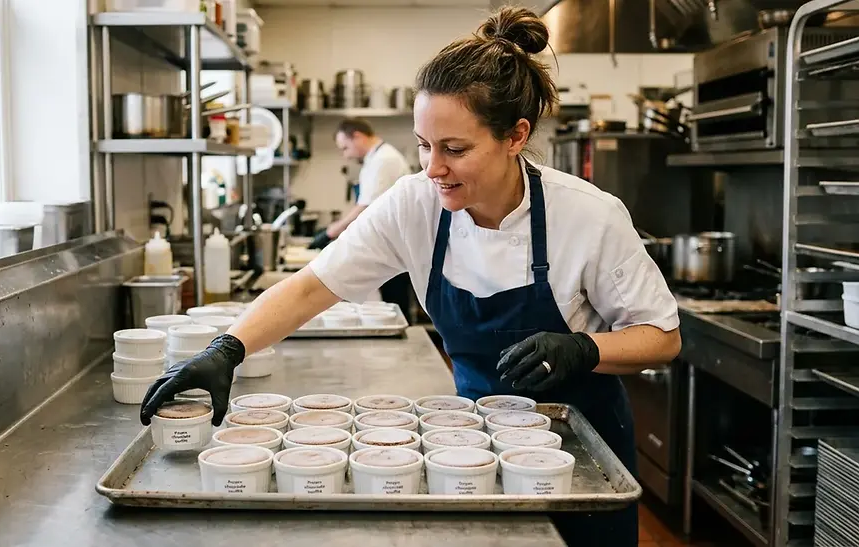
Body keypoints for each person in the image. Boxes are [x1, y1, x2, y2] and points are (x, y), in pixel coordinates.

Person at [140, 7, 680, 546]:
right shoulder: (416, 204)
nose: (432, 168)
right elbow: (312, 285)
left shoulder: (588, 215)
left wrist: (584, 348)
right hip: (469, 452)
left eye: (454, 149)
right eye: (424, 144)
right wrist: (227, 348)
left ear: (516, 136)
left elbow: (663, 337)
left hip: (579, 454)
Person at [308, 117, 414, 317]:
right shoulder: (376, 159)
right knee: (392, 302)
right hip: (390, 244)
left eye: (345, 148)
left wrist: (332, 231)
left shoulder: (384, 159)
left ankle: (406, 342)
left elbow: (366, 207)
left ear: (357, 136)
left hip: (396, 245)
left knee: (397, 304)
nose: (345, 155)